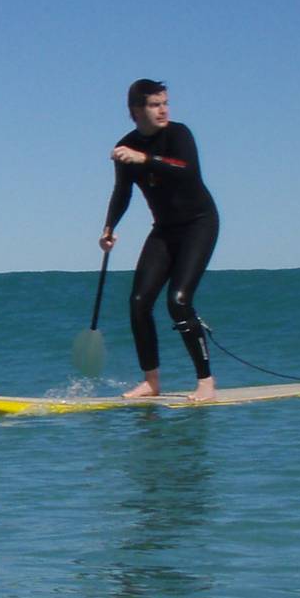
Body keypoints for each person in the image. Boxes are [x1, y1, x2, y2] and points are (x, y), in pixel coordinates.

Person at [99, 79, 219, 401]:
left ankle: (206, 382)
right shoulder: (125, 146)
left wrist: (145, 159)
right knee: (139, 302)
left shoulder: (179, 134)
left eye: (165, 103)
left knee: (178, 301)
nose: (163, 110)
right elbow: (122, 193)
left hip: (199, 224)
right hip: (164, 229)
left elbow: (187, 169)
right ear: (136, 111)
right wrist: (109, 227)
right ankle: (151, 382)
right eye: (155, 105)